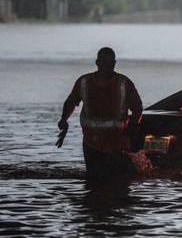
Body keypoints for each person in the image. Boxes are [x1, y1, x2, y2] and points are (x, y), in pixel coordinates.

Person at [58, 47, 143, 179]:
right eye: (103, 62)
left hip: (118, 144)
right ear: (97, 63)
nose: (106, 67)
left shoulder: (124, 83)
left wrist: (132, 126)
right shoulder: (84, 82)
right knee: (95, 181)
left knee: (121, 182)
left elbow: (137, 107)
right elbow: (70, 102)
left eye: (109, 63)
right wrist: (64, 120)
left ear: (114, 63)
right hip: (92, 144)